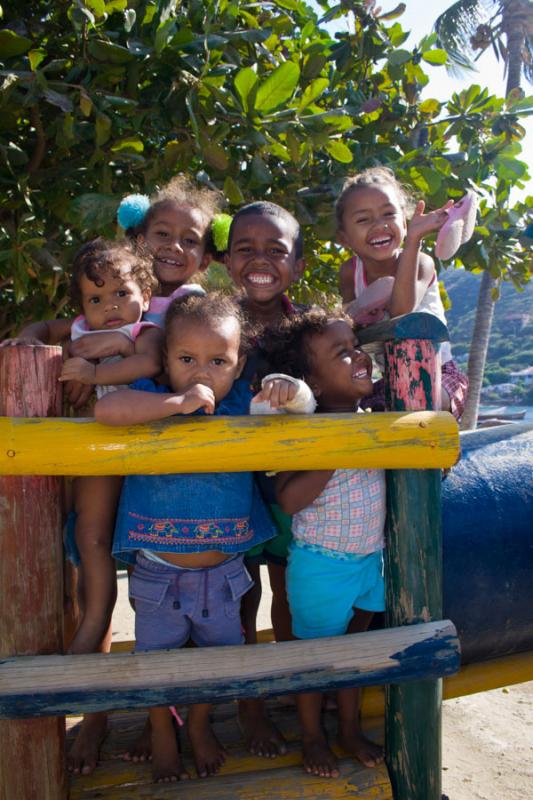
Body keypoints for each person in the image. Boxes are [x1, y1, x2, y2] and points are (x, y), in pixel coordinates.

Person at [95, 292, 312, 782]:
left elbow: (298, 411)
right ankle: (162, 734)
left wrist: (285, 387)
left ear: (238, 368)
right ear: (165, 359)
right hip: (157, 572)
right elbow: (108, 412)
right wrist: (176, 402)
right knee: (154, 666)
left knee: (219, 663)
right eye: (187, 359)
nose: (201, 371)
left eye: (218, 361)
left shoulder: (240, 401)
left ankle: (197, 727)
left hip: (225, 574)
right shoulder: (149, 394)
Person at [262, 307, 386, 778]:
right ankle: (313, 736)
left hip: (367, 561)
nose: (358, 357)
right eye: (341, 353)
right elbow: (289, 500)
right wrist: (334, 453)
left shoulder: (372, 418)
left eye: (355, 346)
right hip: (321, 567)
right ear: (311, 380)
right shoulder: (307, 428)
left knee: (352, 657)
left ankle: (349, 729)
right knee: (313, 660)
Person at [224, 201, 307, 758]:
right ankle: (250, 708)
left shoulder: (308, 328)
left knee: (288, 591)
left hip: (287, 484)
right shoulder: (211, 318)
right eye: (246, 248)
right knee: (240, 595)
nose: (260, 260)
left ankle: (292, 691)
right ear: (227, 259)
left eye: (275, 250)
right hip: (228, 480)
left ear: (297, 265)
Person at [337, 166, 468, 419]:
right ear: (344, 237)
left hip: (438, 374)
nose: (379, 225)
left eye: (388, 214)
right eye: (364, 219)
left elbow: (401, 311)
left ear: (405, 224)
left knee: (415, 398)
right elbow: (349, 332)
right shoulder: (349, 273)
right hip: (389, 378)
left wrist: (415, 241)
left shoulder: (421, 262)